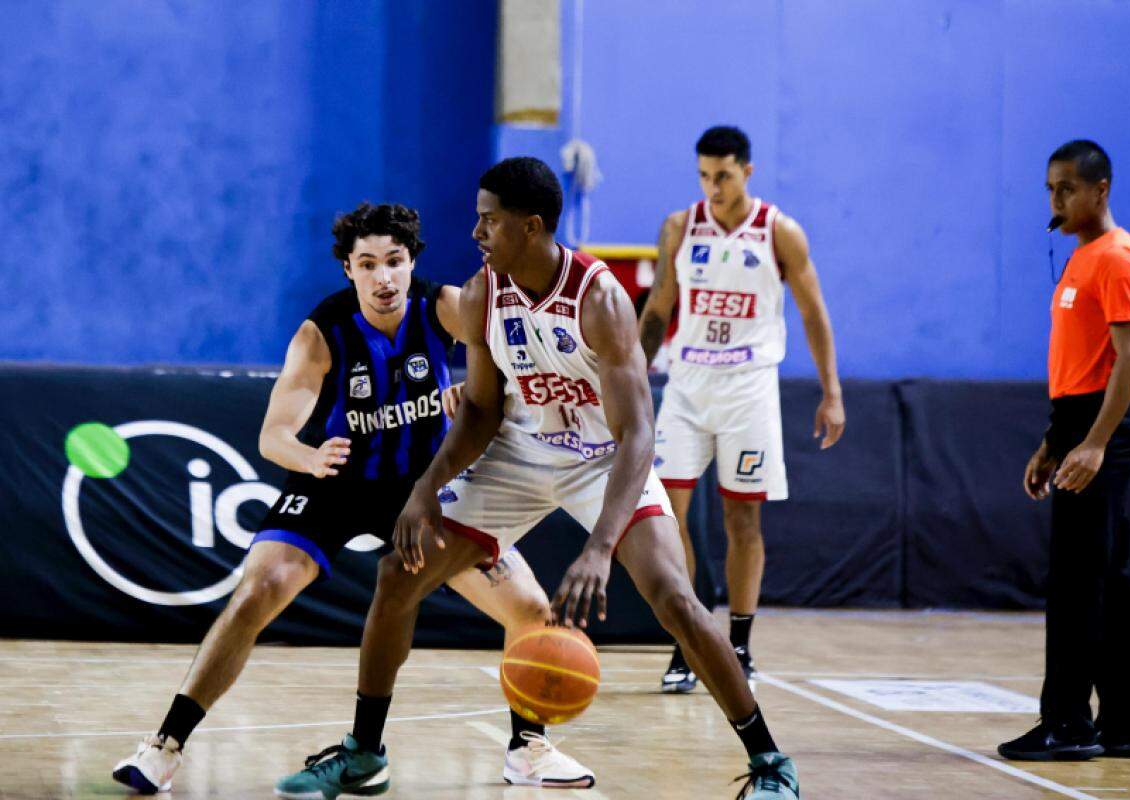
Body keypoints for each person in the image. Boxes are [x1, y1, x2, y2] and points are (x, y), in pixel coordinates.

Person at [275, 158, 801, 799]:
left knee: (674, 598)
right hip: (520, 455)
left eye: (488, 221)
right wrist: (424, 491)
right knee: (397, 574)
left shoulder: (600, 298)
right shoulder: (481, 293)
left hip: (605, 458)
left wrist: (600, 548)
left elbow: (638, 434)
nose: (475, 233)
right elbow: (480, 411)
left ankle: (772, 763)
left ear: (531, 227)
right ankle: (363, 753)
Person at [112, 202, 591, 795]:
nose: (384, 277)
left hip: (423, 491)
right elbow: (273, 435)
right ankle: (166, 745)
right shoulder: (323, 333)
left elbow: (522, 369)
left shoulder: (445, 308)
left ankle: (529, 749)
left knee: (529, 607)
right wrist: (307, 457)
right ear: (348, 270)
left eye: (394, 261)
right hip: (334, 480)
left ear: (412, 261)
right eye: (368, 264)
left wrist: (480, 389)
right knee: (259, 589)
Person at [638, 126, 845, 692]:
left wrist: (832, 392)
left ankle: (739, 645)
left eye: (723, 176)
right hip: (686, 384)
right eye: (704, 175)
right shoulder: (681, 227)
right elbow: (657, 310)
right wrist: (632, 380)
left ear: (747, 172)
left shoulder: (780, 232)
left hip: (749, 385)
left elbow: (813, 313)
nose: (713, 186)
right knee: (664, 518)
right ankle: (687, 641)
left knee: (742, 519)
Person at [998, 140, 1130, 762]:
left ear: (1102, 190)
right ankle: (1125, 723)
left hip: (1102, 428)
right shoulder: (1082, 258)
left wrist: (1094, 443)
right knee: (1107, 579)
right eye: (1050, 189)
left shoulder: (1117, 256)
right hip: (1076, 422)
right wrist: (1053, 441)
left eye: (1067, 188)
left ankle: (1066, 723)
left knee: (1075, 583)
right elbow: (1080, 362)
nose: (1056, 199)